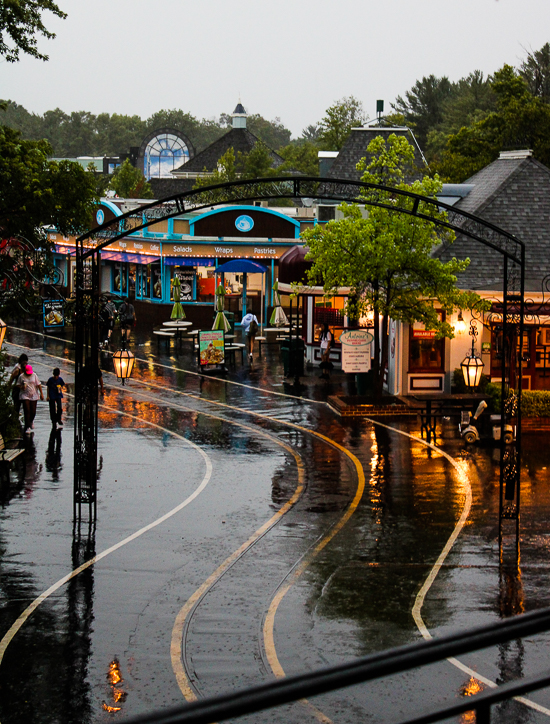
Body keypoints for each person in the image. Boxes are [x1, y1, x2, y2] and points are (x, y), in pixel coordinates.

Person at [18, 364, 43, 434]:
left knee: (33, 411)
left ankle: (30, 421)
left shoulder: (34, 375)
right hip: (25, 395)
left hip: (33, 394)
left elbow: (38, 384)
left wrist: (41, 393)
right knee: (27, 410)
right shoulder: (21, 376)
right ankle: (27, 426)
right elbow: (17, 384)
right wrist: (22, 387)